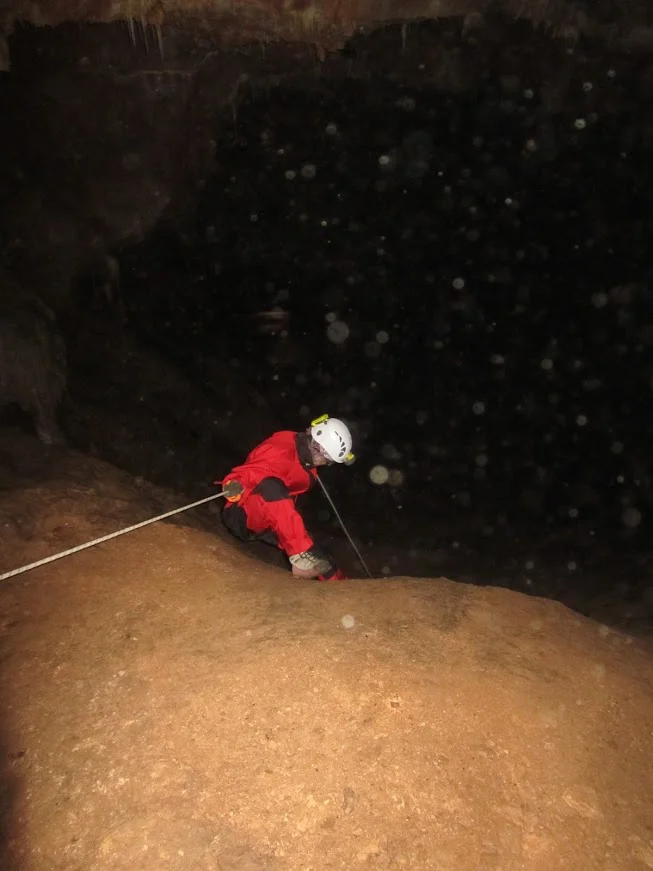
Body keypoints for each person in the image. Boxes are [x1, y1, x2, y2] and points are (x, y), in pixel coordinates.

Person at [218, 415, 354, 580]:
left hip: (270, 519)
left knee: (315, 551)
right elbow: (252, 472)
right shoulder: (281, 449)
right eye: (325, 458)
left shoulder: (307, 462)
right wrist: (234, 483)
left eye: (328, 461)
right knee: (271, 487)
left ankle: (340, 584)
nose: (323, 463)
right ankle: (300, 557)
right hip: (242, 512)